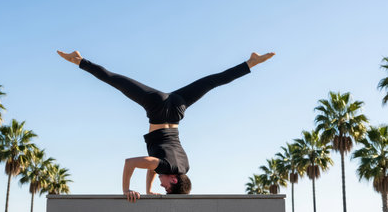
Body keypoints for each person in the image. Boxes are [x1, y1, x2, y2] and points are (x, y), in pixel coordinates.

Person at [57, 50, 275, 203]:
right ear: (173, 180)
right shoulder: (165, 168)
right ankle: (79, 60)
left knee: (212, 81)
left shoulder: (184, 167)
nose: (163, 187)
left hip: (178, 108)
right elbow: (131, 163)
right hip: (157, 108)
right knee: (116, 81)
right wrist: (126, 190)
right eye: (167, 187)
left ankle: (251, 62)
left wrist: (148, 189)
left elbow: (157, 165)